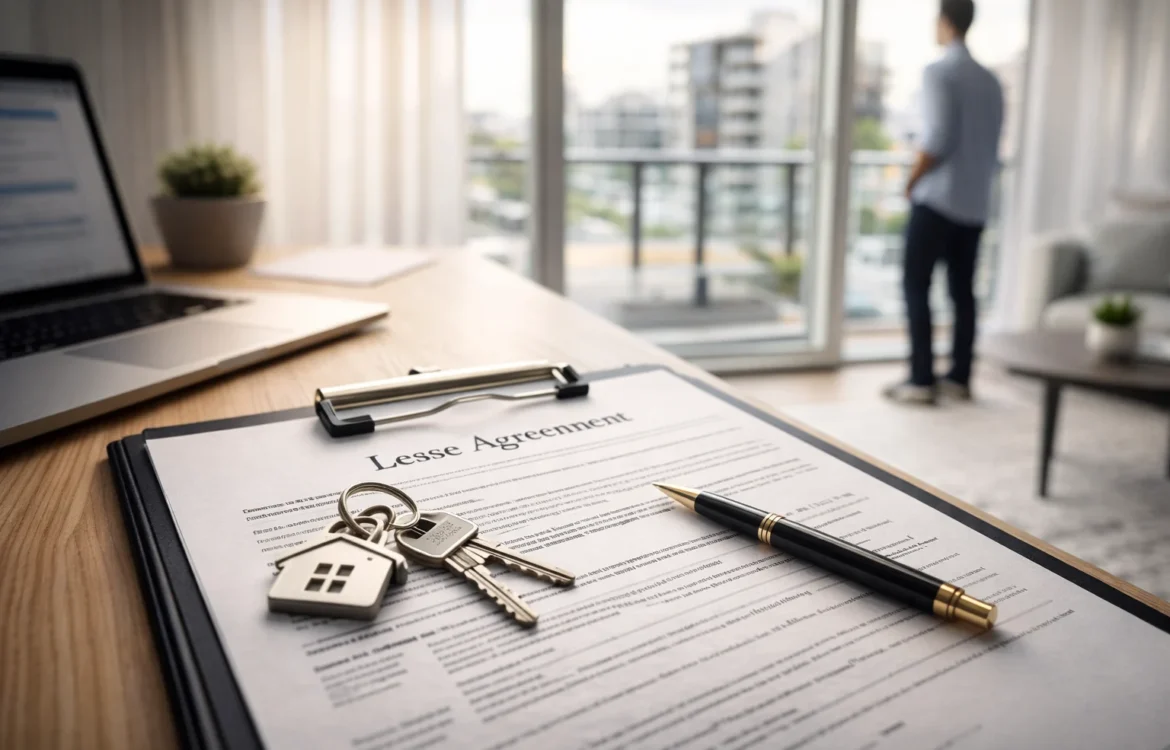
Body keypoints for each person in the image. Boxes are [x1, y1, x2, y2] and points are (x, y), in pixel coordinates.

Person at [884, 0, 1004, 405]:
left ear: (946, 23)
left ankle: (920, 379)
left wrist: (910, 180)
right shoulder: (991, 81)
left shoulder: (939, 72)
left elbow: (937, 139)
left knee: (915, 285)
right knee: (963, 293)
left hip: (937, 200)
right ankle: (959, 376)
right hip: (975, 202)